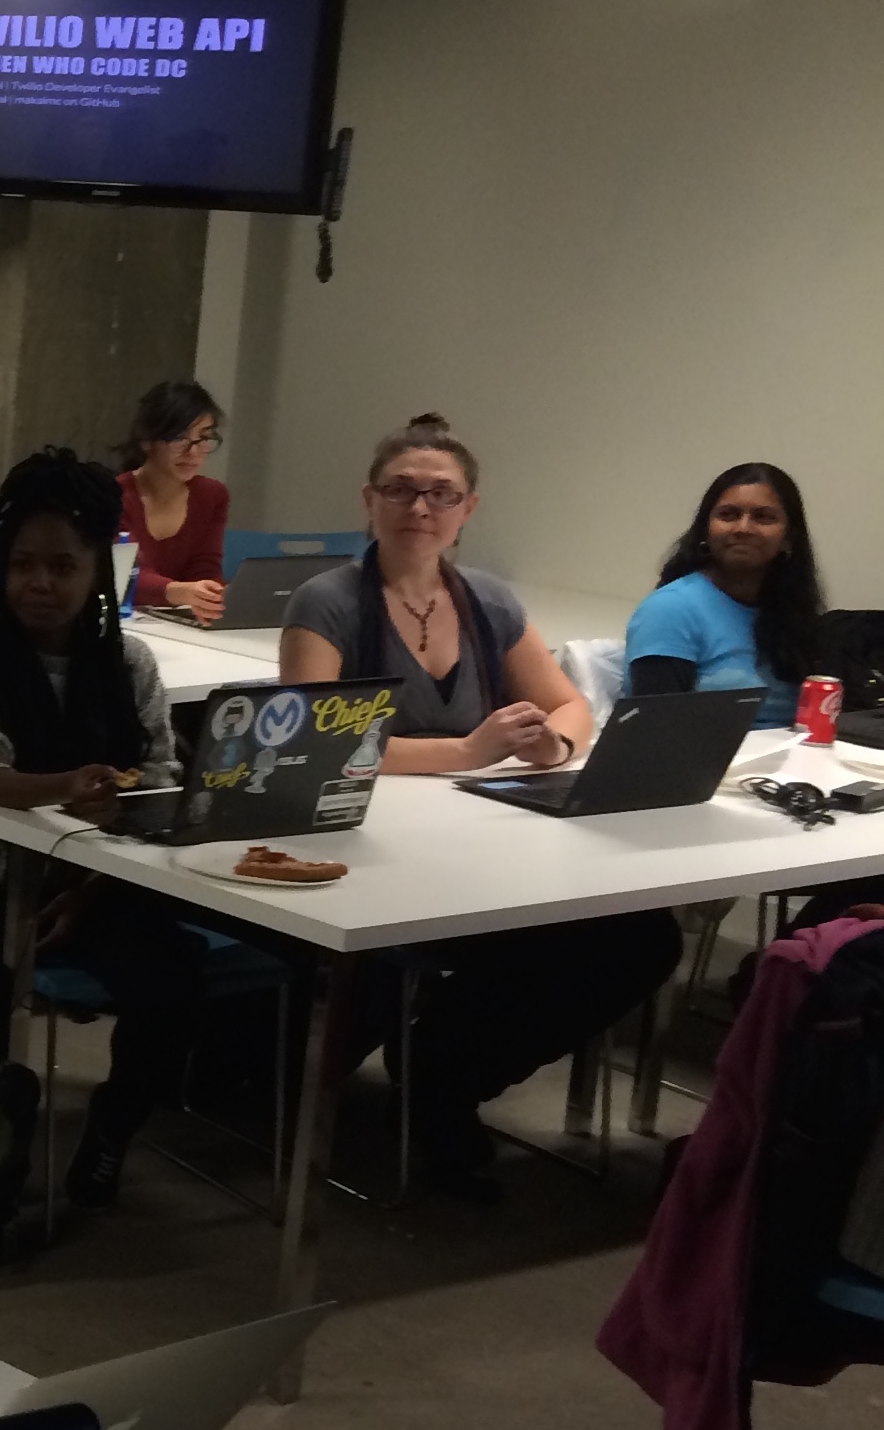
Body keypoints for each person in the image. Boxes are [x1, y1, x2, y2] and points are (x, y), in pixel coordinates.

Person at [281, 412, 681, 1197]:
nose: (420, 508)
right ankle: (434, 1079)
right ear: (370, 499)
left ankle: (442, 1073)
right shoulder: (325, 603)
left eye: (441, 493)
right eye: (401, 490)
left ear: (470, 509)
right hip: (368, 844)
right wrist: (467, 753)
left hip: (480, 839)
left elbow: (572, 709)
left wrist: (550, 748)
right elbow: (311, 746)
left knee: (641, 937)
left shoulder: (487, 602)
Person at [0, 451, 205, 1211]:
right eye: (22, 564)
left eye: (62, 565)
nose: (40, 584)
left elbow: (153, 776)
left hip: (96, 881)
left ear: (99, 571)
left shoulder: (128, 662)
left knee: (174, 988)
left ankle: (111, 1133)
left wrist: (84, 884)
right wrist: (63, 787)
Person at [626, 463, 822, 726]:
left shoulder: (794, 611)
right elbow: (658, 730)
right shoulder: (669, 610)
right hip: (703, 762)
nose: (743, 528)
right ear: (705, 531)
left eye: (763, 517)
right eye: (728, 515)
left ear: (789, 538)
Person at [115, 378, 231, 621]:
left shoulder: (212, 496)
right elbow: (124, 576)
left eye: (204, 438)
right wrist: (183, 592)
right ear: (147, 440)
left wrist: (210, 593)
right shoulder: (113, 495)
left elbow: (205, 567)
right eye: (179, 438)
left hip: (174, 623)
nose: (193, 452)